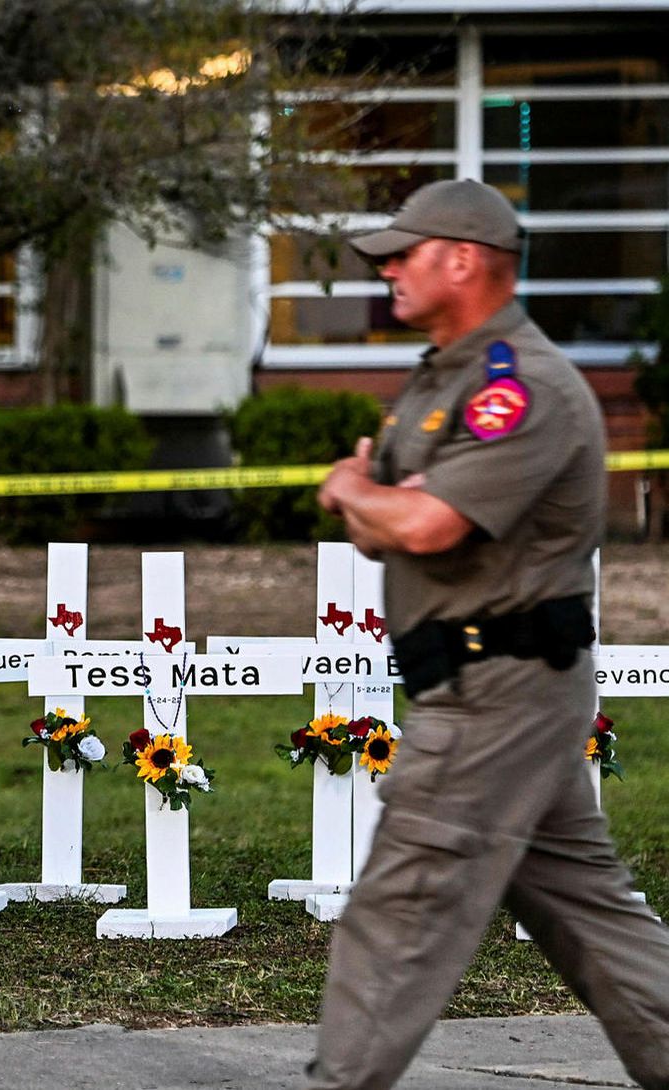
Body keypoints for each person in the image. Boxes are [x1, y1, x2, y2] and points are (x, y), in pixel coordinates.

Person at [310, 178, 669, 1090]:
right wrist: (379, 504)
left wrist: (357, 491)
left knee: (400, 911)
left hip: (494, 691)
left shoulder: (523, 385)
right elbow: (394, 517)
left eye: (403, 253)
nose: (386, 268)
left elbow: (425, 525)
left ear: (464, 260)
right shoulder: (450, 375)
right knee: (590, 917)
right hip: (496, 685)